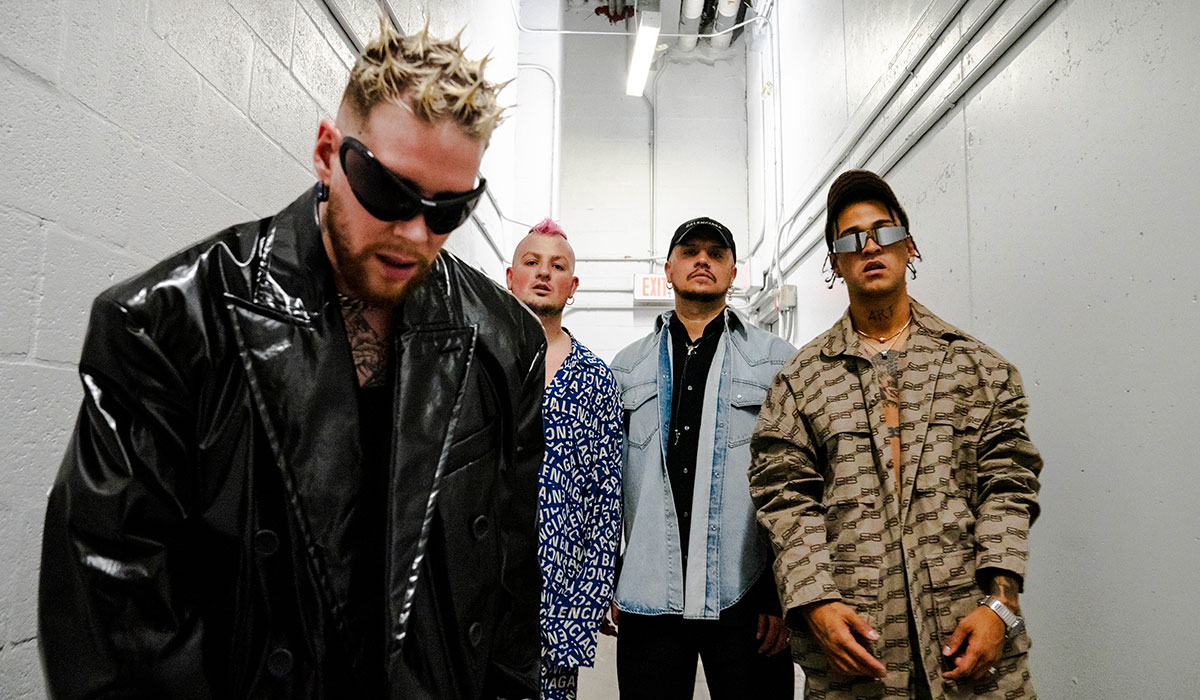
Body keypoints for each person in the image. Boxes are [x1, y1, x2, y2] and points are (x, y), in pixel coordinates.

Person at [38, 23, 545, 700]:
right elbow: (113, 617)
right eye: (389, 192)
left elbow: (509, 582)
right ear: (326, 153)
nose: (416, 233)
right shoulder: (170, 325)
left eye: (450, 209)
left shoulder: (503, 340)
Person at [749, 169, 1043, 699]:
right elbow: (785, 500)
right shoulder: (801, 381)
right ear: (835, 263)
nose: (869, 247)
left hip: (969, 646)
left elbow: (1008, 488)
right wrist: (814, 602)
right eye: (850, 238)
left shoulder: (980, 368)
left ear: (909, 245)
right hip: (858, 657)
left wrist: (1001, 606)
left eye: (883, 231)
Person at [607, 217, 797, 699]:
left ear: (734, 273)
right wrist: (610, 579)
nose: (703, 261)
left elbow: (798, 483)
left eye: (716, 253)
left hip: (748, 597)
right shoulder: (626, 367)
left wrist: (784, 593)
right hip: (650, 594)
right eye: (690, 252)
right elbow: (606, 485)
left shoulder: (778, 360)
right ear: (668, 268)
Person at [505, 219, 622, 700]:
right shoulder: (475, 360)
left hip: (559, 588)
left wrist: (588, 598)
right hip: (480, 583)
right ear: (509, 276)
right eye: (531, 263)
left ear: (571, 287)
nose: (543, 273)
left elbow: (605, 497)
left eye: (557, 267)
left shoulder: (596, 379)